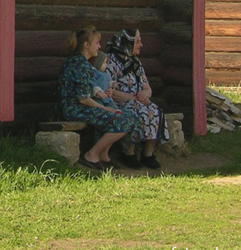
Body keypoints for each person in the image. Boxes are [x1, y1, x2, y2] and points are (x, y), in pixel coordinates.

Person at [57, 25, 137, 170]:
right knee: (124, 120)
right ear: (86, 45)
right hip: (74, 110)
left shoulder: (81, 63)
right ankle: (92, 154)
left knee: (128, 115)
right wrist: (104, 108)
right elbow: (83, 99)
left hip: (81, 108)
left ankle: (103, 156)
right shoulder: (79, 64)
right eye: (96, 43)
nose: (99, 47)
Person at [105, 28, 168, 170]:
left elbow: (146, 86)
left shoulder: (135, 63)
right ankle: (128, 153)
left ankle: (148, 154)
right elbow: (110, 90)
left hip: (137, 100)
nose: (141, 44)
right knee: (137, 112)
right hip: (119, 102)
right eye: (137, 41)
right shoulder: (110, 61)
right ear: (128, 43)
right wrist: (134, 98)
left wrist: (146, 94)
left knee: (155, 111)